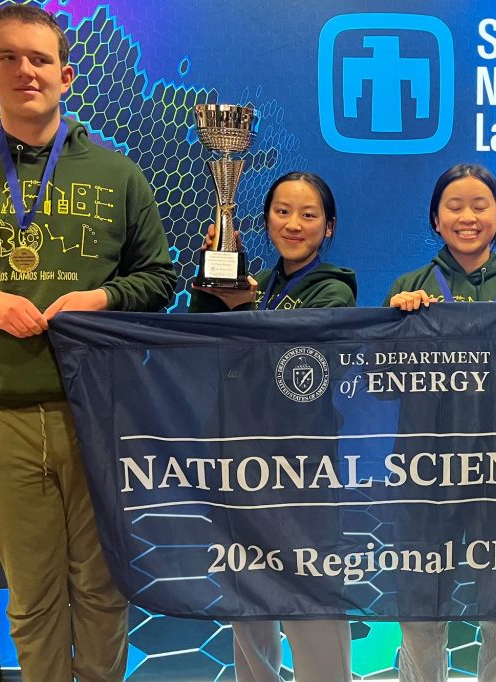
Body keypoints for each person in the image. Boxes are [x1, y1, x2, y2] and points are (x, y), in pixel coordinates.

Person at [0, 5, 176, 681]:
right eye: (9, 58)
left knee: (104, 588)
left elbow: (161, 278)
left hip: (101, 416)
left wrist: (103, 297)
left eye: (40, 58)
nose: (26, 71)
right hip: (2, 416)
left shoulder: (120, 176)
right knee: (32, 595)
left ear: (68, 75)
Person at [386, 163, 496, 682]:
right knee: (420, 598)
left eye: (480, 205)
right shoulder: (409, 287)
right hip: (425, 468)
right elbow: (379, 380)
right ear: (435, 218)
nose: (467, 216)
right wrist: (397, 324)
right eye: (454, 206)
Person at [190, 170, 357, 681]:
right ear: (265, 221)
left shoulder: (335, 290)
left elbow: (299, 363)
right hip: (239, 459)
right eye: (282, 212)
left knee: (309, 589)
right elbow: (206, 336)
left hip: (300, 466)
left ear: (328, 227)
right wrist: (215, 277)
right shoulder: (260, 285)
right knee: (247, 593)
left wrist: (242, 309)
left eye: (309, 215)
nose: (293, 224)